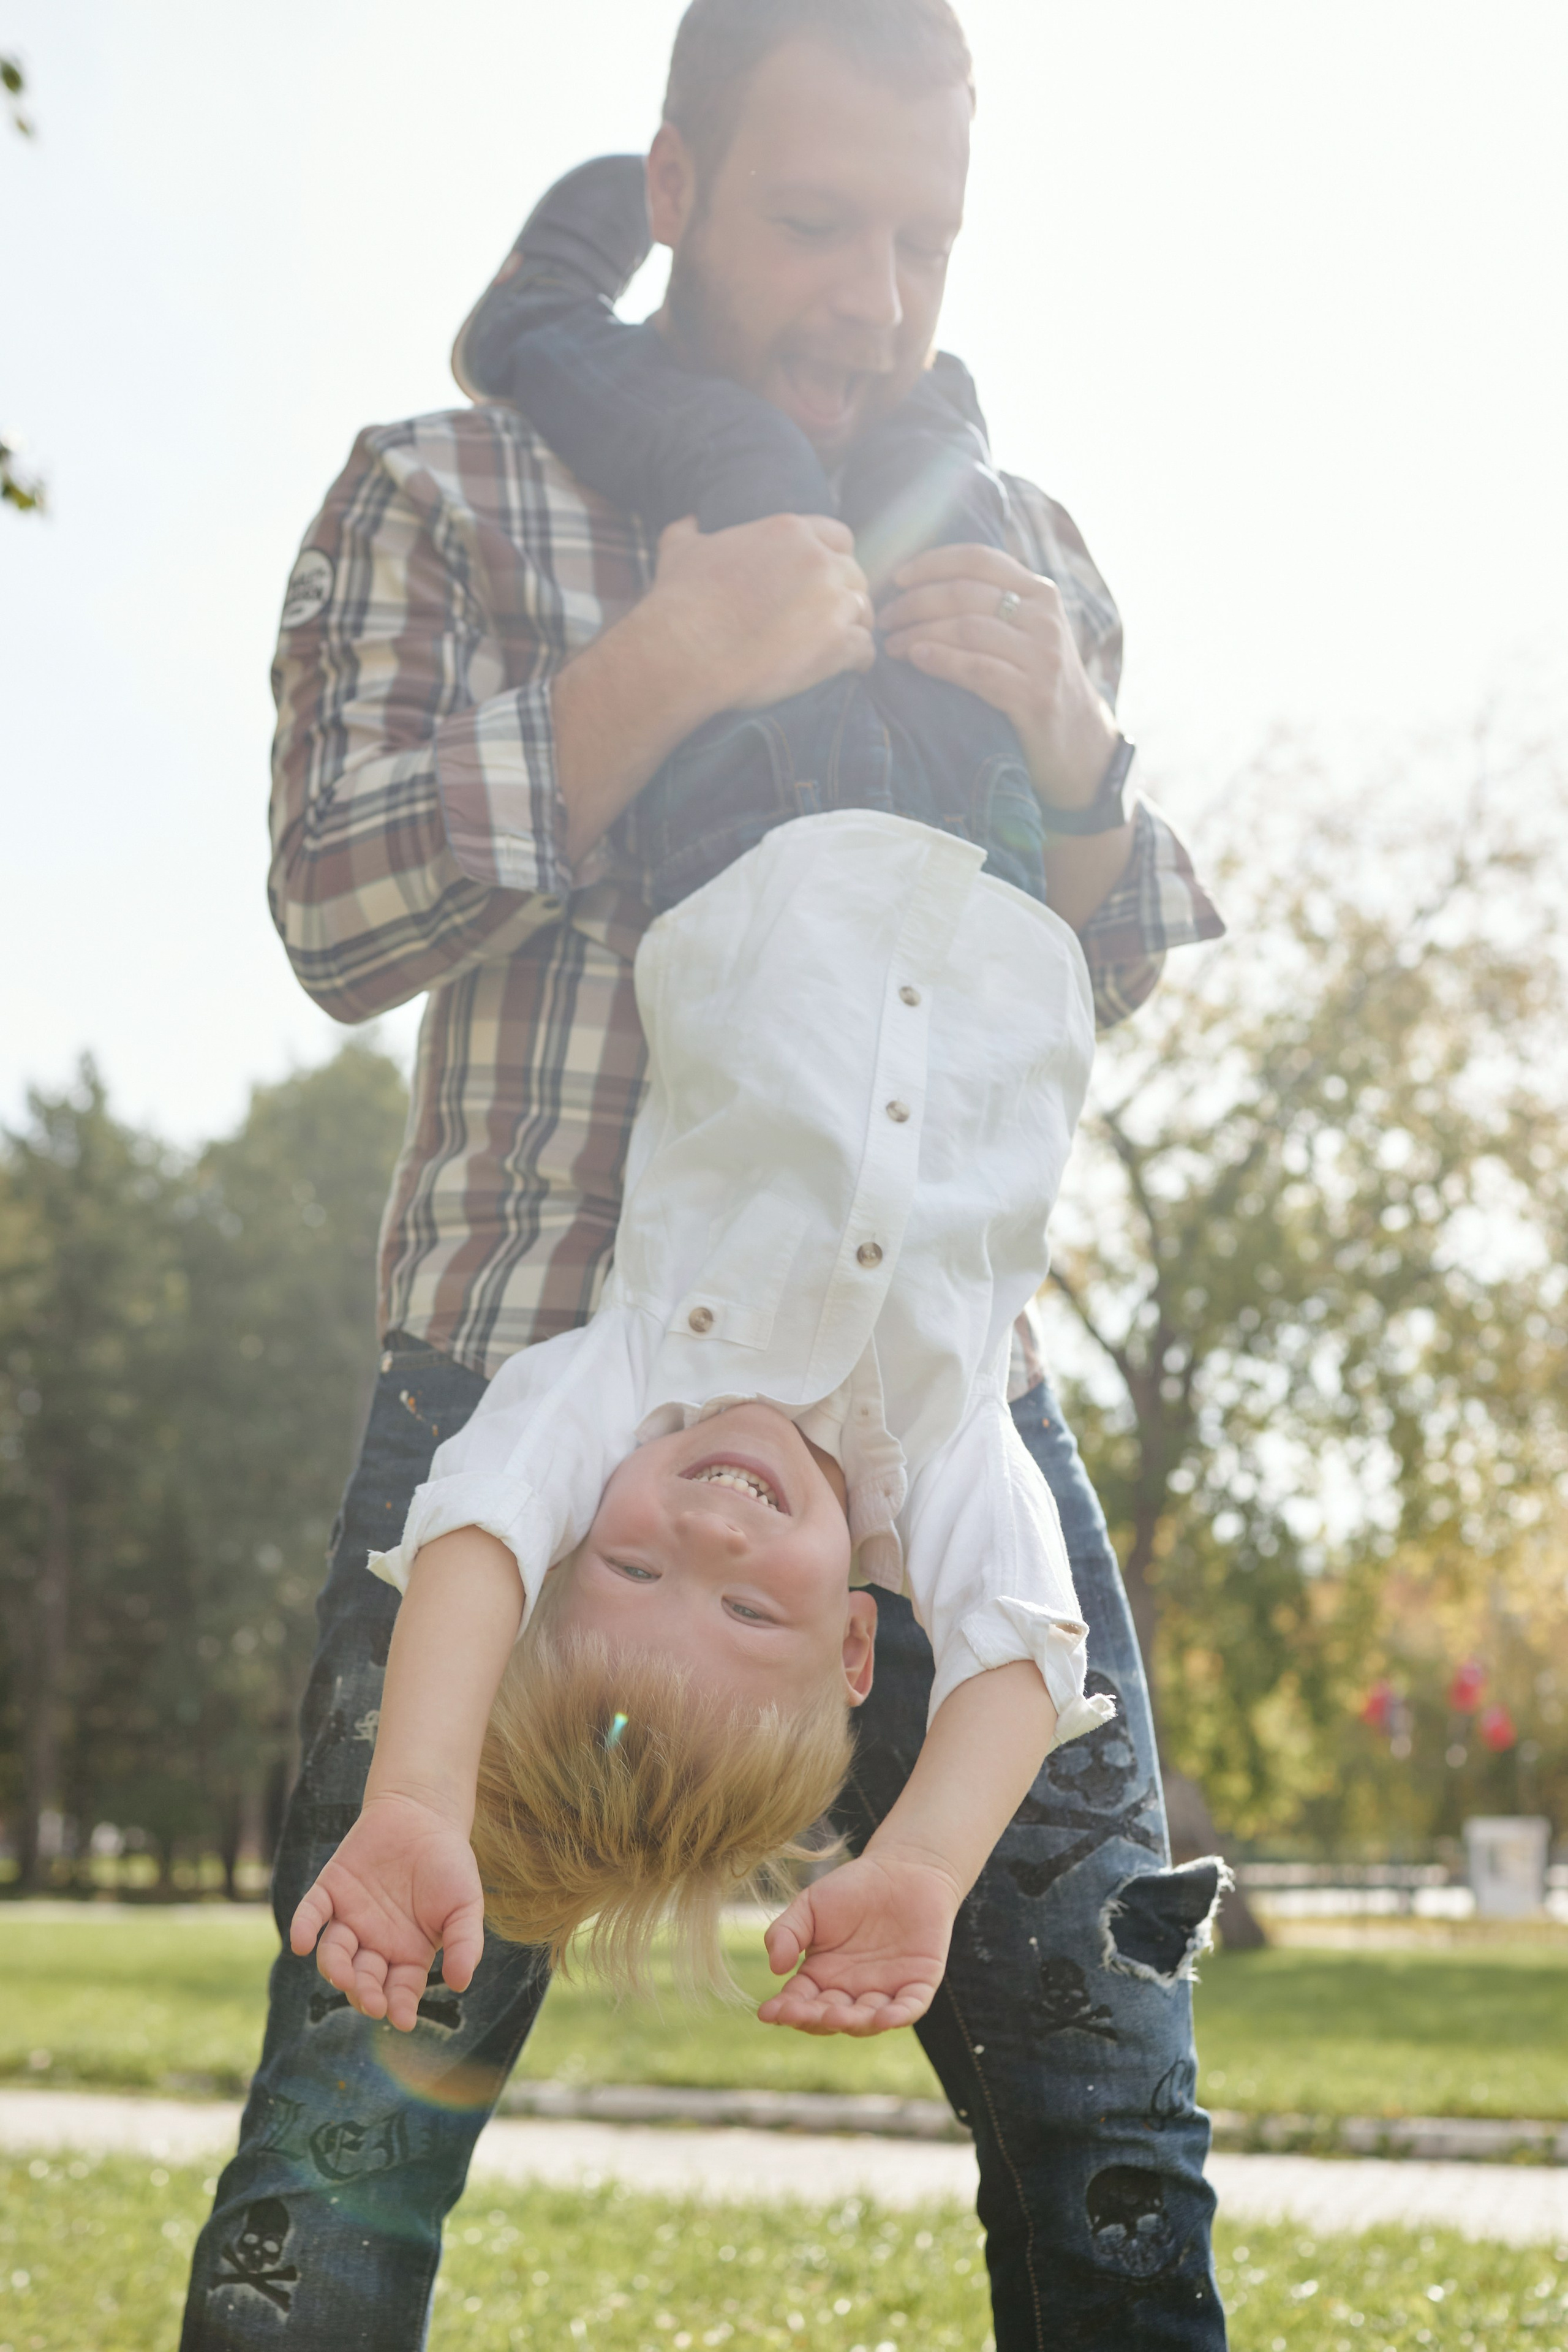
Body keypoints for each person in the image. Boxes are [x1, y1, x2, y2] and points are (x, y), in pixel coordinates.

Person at [183, 3, 1229, 2345]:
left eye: (928, 243)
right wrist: (661, 666)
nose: (877, 299)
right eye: (816, 223)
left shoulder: (1022, 535)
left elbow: (1094, 972)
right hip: (530, 1392)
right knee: (355, 2120)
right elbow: (338, 909)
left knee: (1114, 2120)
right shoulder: (448, 487)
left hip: (933, 1411)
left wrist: (1075, 758)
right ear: (674, 188)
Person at [288, 804, 1114, 2029]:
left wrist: (414, 1796)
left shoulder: (630, 1370)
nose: (712, 1539)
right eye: (748, 1609)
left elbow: (480, 1522)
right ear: (853, 1647)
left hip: (765, 831)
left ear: (570, 1534)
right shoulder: (946, 1449)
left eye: (631, 1567)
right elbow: (1026, 1648)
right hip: (997, 878)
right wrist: (926, 1863)